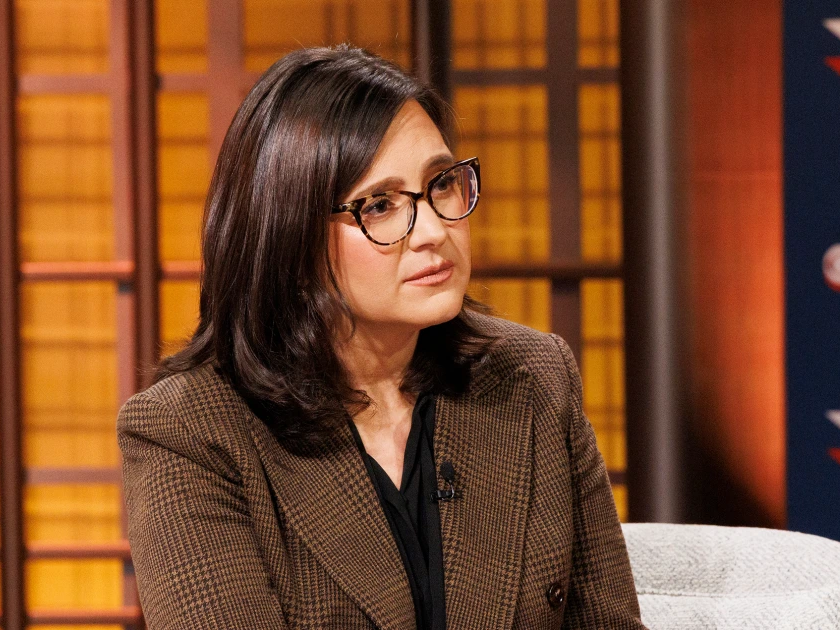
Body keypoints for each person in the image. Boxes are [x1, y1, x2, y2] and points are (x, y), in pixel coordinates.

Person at [117, 43, 645, 630]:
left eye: (441, 184)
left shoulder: (533, 378)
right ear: (289, 233)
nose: (433, 230)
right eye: (380, 205)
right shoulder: (191, 433)